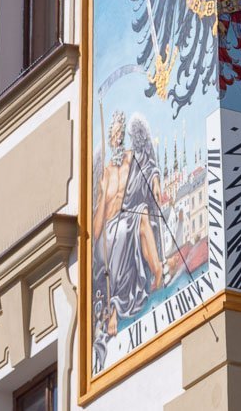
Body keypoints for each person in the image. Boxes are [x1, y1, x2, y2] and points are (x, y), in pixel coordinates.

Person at [93, 112, 166, 350]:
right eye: (113, 134)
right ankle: (115, 306)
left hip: (126, 220)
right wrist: (103, 196)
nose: (116, 138)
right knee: (123, 230)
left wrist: (155, 180)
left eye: (119, 133)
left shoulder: (131, 159)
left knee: (142, 214)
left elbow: (149, 165)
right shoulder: (105, 173)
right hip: (107, 233)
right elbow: (97, 224)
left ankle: (158, 273)